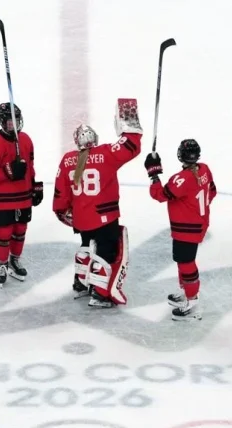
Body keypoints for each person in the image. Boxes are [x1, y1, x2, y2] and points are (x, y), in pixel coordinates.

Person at [52, 98, 143, 308]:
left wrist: (63, 212)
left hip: (81, 218)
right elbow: (131, 144)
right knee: (106, 251)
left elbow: (60, 193)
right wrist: (127, 114)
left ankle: (81, 283)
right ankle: (100, 294)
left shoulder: (67, 160)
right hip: (105, 215)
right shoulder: (105, 153)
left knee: (86, 244)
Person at [145, 138, 216, 320]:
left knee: (186, 262)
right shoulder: (205, 169)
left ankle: (192, 302)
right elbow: (212, 191)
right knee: (182, 260)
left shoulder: (181, 179)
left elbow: (159, 195)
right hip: (198, 223)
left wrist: (153, 173)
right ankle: (186, 291)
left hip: (187, 227)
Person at [0, 102, 43, 285]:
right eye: (9, 121)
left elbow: (29, 167)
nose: (13, 125)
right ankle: (2, 263)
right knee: (4, 231)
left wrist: (35, 186)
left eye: (16, 120)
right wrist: (8, 171)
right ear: (2, 122)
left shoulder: (26, 140)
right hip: (2, 199)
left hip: (23, 196)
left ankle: (14, 259)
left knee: (20, 229)